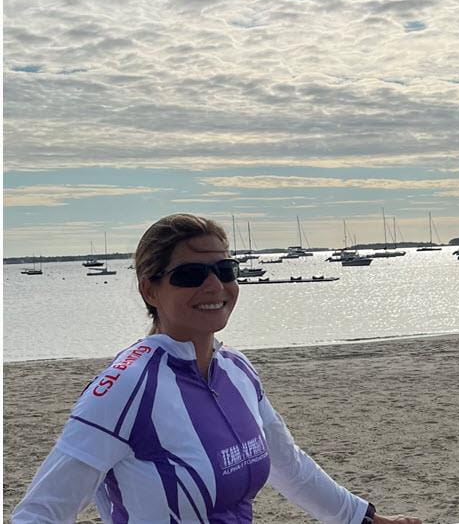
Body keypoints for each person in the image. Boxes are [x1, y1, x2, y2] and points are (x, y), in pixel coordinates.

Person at [13, 214, 423, 524]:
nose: (214, 286)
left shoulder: (237, 371)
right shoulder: (127, 387)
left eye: (225, 271)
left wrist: (362, 518)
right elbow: (42, 511)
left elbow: (289, 467)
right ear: (150, 289)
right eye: (191, 275)